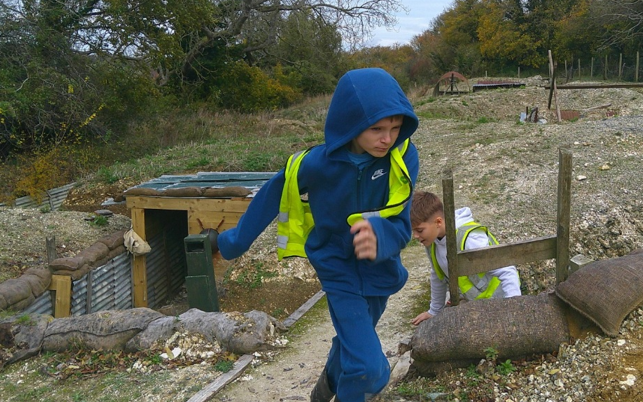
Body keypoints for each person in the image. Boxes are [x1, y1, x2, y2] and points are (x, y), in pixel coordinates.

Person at [215, 68, 419, 402]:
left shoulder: (403, 156)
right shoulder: (315, 164)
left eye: (396, 128)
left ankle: (325, 387)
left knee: (352, 345)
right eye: (377, 129)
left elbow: (402, 224)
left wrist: (379, 236)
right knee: (371, 369)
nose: (388, 138)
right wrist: (231, 243)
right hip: (337, 267)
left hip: (380, 268)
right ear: (352, 125)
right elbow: (269, 196)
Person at [409, 191, 521, 326]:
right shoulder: (431, 241)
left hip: (499, 301)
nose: (415, 236)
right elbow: (438, 275)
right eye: (413, 230)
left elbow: (506, 270)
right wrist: (434, 311)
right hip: (475, 305)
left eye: (419, 230)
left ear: (438, 222)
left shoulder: (470, 239)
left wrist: (514, 309)